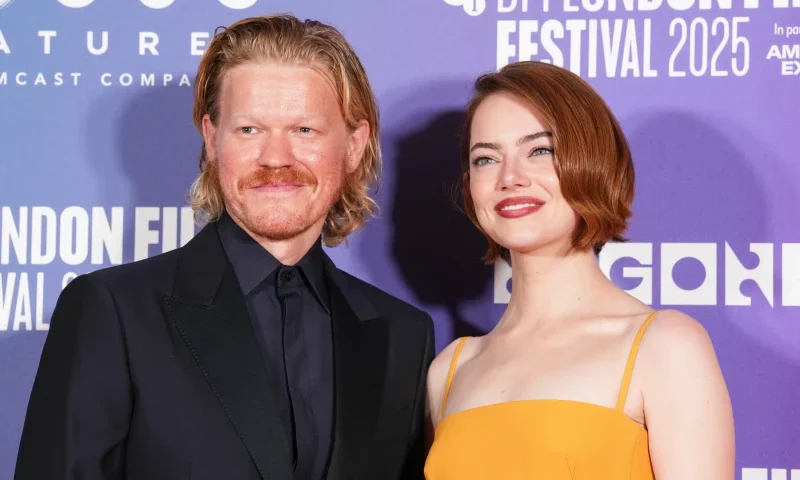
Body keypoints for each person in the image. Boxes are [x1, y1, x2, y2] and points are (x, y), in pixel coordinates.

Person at [15, 14, 434, 480]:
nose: (276, 158)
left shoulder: (402, 335)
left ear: (355, 145)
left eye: (305, 131)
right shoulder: (113, 313)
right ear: (212, 140)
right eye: (249, 130)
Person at [423, 61, 735, 479]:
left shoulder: (663, 346)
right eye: (486, 159)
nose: (510, 177)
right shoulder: (450, 370)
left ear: (593, 162)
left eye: (540, 150)